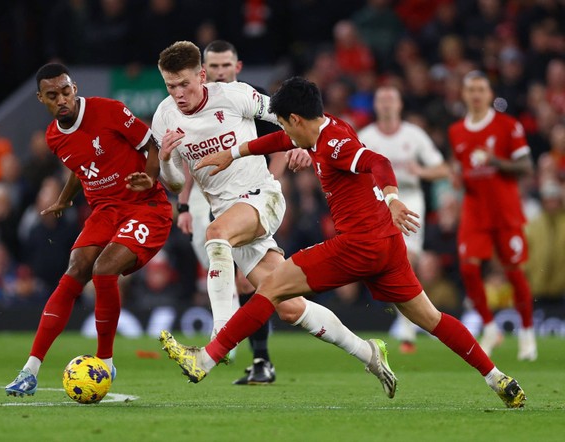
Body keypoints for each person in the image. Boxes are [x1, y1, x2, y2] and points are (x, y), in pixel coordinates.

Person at [160, 76, 526, 409]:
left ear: (297, 119)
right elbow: (280, 138)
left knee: (270, 288)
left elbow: (378, 161)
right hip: (388, 246)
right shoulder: (322, 126)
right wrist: (235, 153)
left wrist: (394, 197)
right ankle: (497, 378)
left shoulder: (335, 144)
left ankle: (205, 359)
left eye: (286, 121)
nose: (286, 133)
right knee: (431, 318)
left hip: (360, 245)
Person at [153, 41, 397, 397]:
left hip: (261, 198)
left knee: (215, 233)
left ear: (201, 76)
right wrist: (164, 159)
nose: (178, 94)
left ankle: (221, 334)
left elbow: (286, 114)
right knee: (287, 306)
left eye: (185, 84)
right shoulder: (165, 116)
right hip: (231, 215)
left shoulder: (236, 95)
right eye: (170, 86)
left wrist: (302, 143)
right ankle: (369, 352)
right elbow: (175, 183)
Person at [5, 63, 172, 396]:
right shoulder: (54, 137)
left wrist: (151, 178)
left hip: (146, 207)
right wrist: (65, 199)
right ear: (41, 99)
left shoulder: (109, 111)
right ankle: (30, 370)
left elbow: (151, 144)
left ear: (75, 88)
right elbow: (79, 166)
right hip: (105, 211)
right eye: (53, 96)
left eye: (66, 91)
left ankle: (105, 362)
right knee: (76, 269)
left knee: (104, 269)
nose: (62, 99)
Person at [175, 40, 285, 385]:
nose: (221, 72)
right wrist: (183, 204)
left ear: (237, 67)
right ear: (203, 71)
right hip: (205, 197)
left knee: (247, 275)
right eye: (215, 66)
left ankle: (248, 352)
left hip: (247, 193)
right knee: (222, 269)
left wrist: (264, 191)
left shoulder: (249, 97)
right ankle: (230, 341)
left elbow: (282, 139)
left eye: (226, 66)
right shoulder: (190, 102)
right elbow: (191, 159)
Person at [448, 71, 537, 361]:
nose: (475, 94)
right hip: (475, 211)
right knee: (469, 269)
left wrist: (495, 161)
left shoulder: (508, 125)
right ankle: (489, 326)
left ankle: (526, 332)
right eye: (470, 89)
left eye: (481, 89)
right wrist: (457, 178)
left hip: (505, 210)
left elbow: (526, 167)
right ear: (464, 95)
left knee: (514, 272)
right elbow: (462, 167)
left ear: (489, 94)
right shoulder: (456, 131)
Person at [358, 85, 450, 353]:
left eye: (391, 100)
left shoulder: (414, 135)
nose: (386, 105)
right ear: (375, 106)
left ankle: (408, 326)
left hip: (409, 197)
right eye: (382, 100)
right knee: (386, 262)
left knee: (408, 259)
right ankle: (416, 320)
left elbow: (442, 168)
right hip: (377, 202)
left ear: (399, 105)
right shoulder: (366, 136)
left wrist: (420, 170)